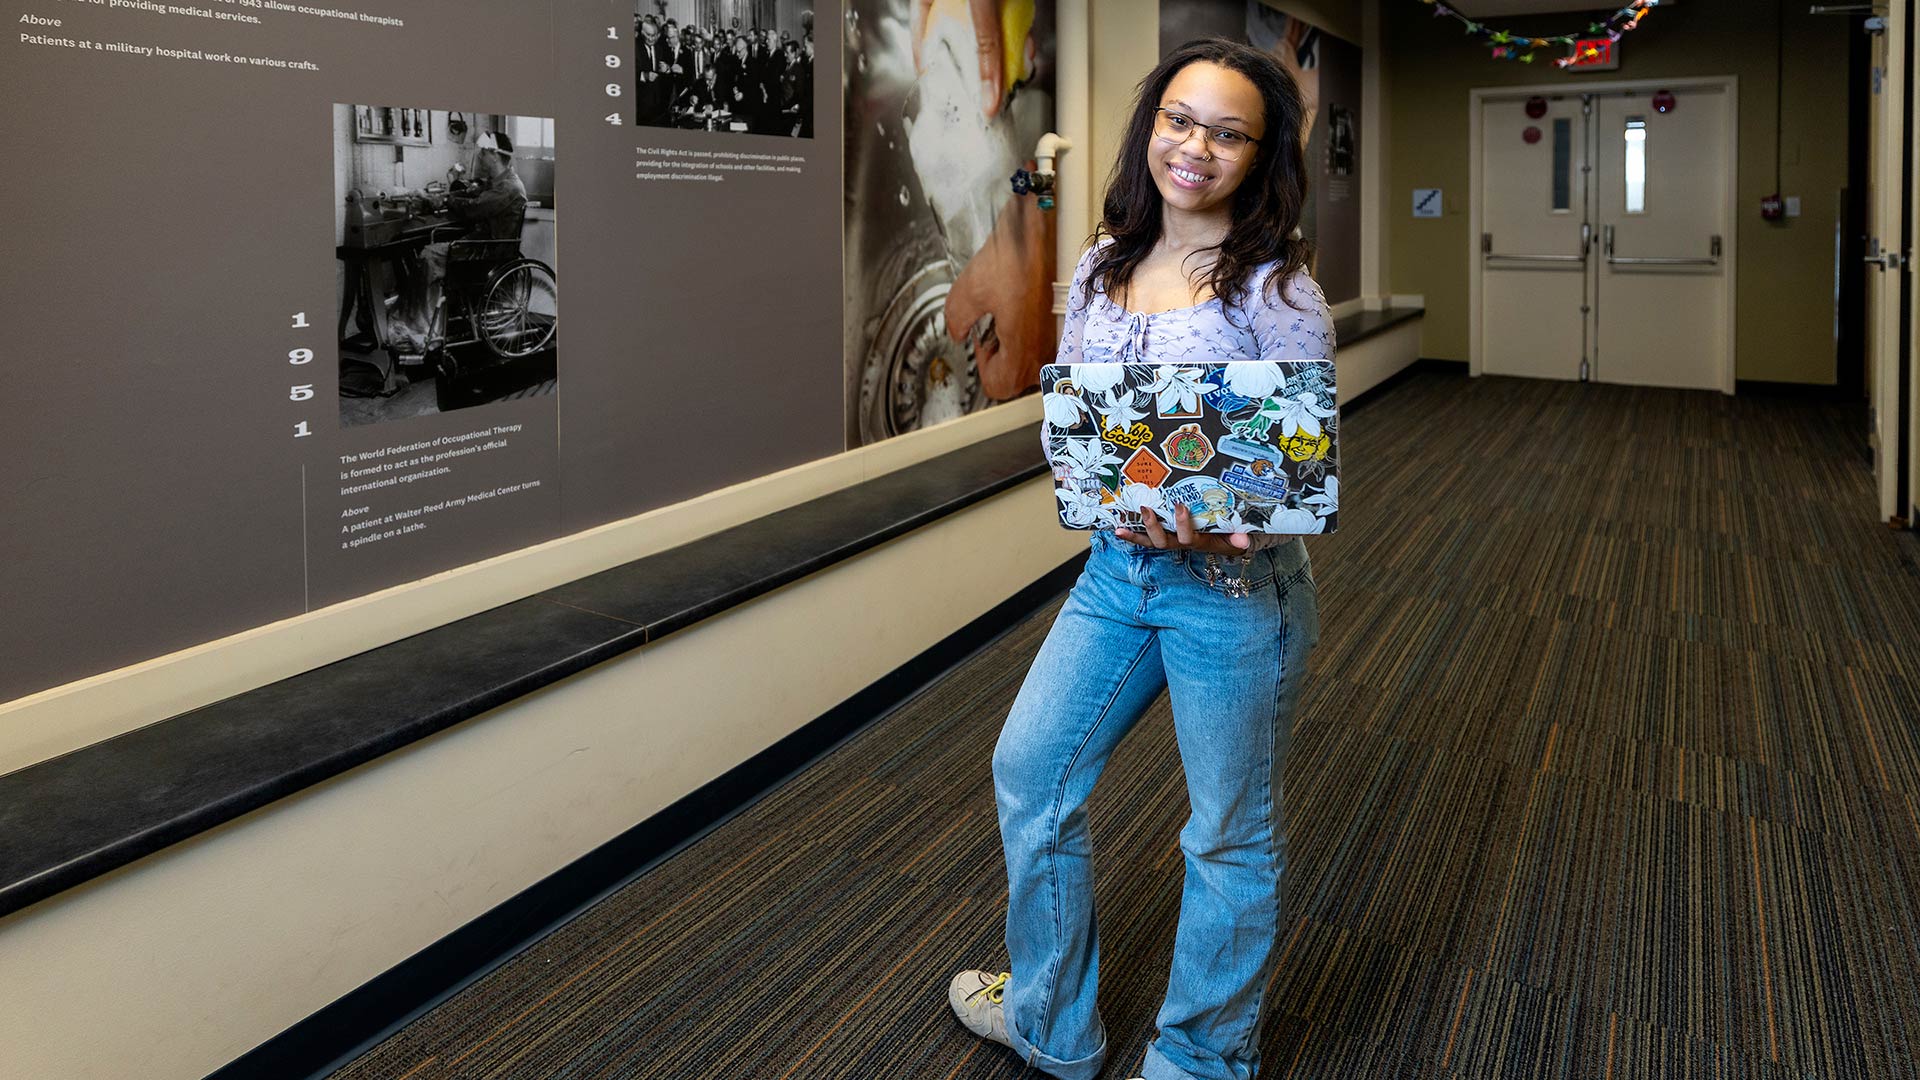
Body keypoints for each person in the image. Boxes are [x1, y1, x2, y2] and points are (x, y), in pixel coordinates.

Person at [945, 37, 1332, 1080]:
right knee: (1032, 773)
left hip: (1236, 594)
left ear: (1260, 156)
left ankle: (1198, 1060)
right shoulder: (1100, 264)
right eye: (1177, 119)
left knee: (1226, 837)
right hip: (1118, 576)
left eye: (1226, 131)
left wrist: (1217, 523)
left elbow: (1298, 480)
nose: (1193, 147)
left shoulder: (1276, 295)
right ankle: (1051, 1024)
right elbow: (1080, 416)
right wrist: (1095, 481)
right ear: (1149, 126)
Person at [395, 130, 528, 354]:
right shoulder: (498, 182)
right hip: (481, 245)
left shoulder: (509, 187)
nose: (481, 158)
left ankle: (422, 330)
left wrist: (446, 199)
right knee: (432, 251)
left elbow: (475, 207)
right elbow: (472, 194)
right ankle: (425, 325)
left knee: (428, 254)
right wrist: (445, 196)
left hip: (487, 253)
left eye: (483, 154)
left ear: (494, 155)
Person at [634, 15, 672, 126]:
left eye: (654, 35)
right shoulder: (634, 47)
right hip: (641, 106)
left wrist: (667, 69)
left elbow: (669, 72)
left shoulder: (660, 48)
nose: (651, 39)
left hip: (659, 105)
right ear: (642, 33)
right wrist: (644, 76)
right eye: (649, 35)